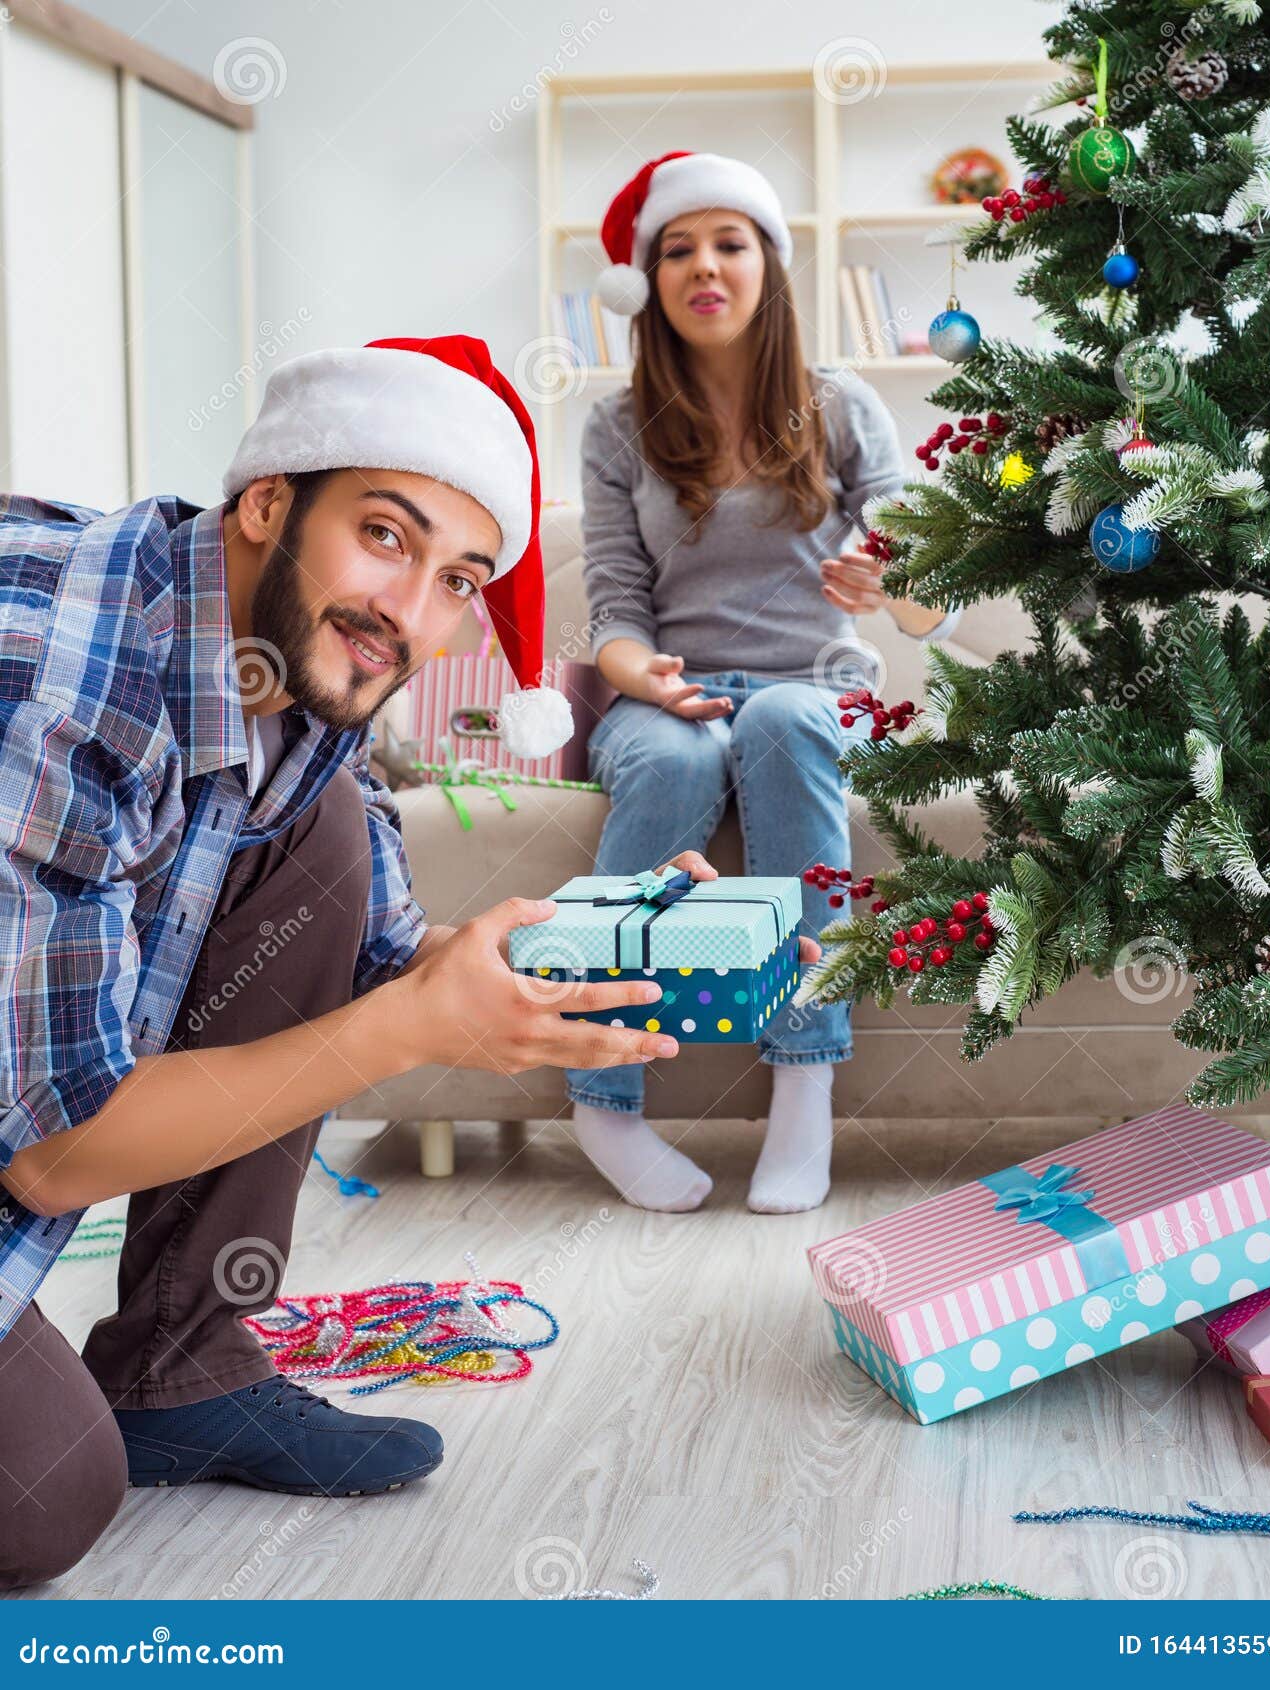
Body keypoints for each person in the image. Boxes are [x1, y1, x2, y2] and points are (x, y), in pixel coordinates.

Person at [0, 332, 788, 1590]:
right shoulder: (60, 685)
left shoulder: (294, 671)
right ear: (267, 500)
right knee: (44, 1503)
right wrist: (414, 1028)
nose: (408, 617)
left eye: (459, 577)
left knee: (316, 845)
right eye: (384, 535)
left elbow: (372, 969)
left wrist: (578, 947)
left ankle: (177, 1366)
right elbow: (47, 1151)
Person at [567, 153, 960, 1216]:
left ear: (767, 265)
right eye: (677, 249)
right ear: (646, 282)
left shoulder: (844, 410)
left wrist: (892, 582)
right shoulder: (615, 427)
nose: (704, 267)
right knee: (671, 758)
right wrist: (635, 673)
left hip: (817, 687)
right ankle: (602, 1101)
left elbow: (937, 602)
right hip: (671, 693)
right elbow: (612, 608)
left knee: (787, 719)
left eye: (728, 243)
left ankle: (803, 1079)